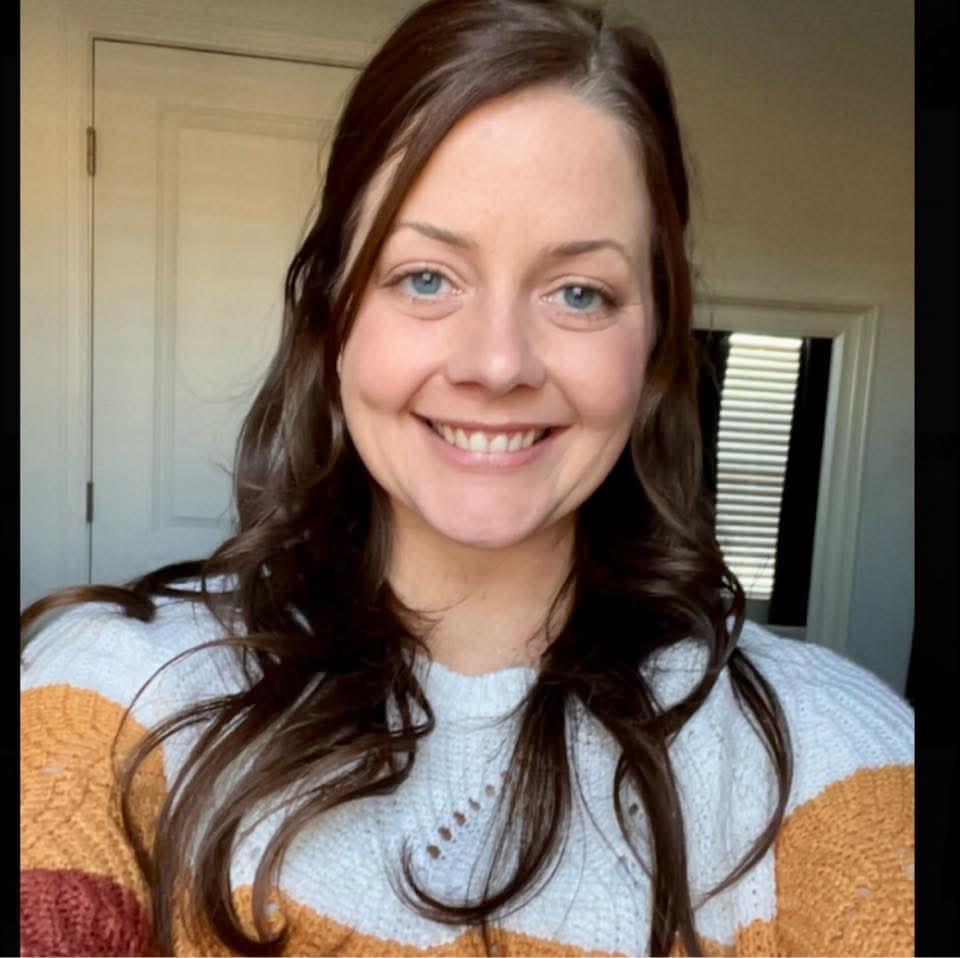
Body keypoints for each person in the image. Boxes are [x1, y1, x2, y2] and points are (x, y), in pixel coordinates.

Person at [20, 0, 914, 954]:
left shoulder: (830, 749)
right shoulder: (111, 687)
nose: (497, 364)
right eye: (426, 277)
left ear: (654, 346)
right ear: (333, 316)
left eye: (580, 293)